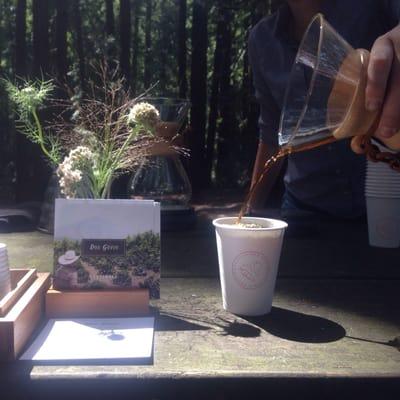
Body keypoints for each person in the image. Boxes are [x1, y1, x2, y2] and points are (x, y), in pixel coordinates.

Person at [248, 0, 400, 219]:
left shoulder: (372, 7)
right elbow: (272, 132)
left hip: (386, 204)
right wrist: (250, 209)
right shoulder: (262, 40)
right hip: (303, 208)